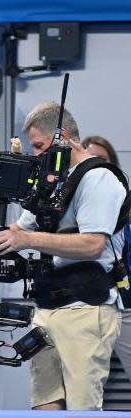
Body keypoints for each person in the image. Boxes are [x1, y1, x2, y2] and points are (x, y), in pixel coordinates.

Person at [0, 105, 127, 410]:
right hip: (47, 305)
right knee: (45, 404)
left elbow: (93, 245)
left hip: (86, 308)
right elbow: (20, 229)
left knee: (82, 412)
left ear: (61, 138)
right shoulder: (50, 183)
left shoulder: (99, 179)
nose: (35, 155)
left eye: (39, 146)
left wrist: (26, 239)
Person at [83, 135, 131, 384]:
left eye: (101, 160)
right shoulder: (74, 202)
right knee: (86, 384)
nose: (96, 165)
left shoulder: (125, 203)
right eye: (90, 159)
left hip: (125, 302)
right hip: (85, 305)